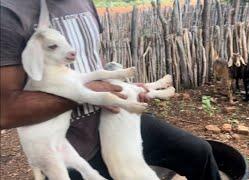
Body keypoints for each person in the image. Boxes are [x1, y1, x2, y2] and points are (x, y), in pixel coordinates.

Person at [0, 0, 221, 179]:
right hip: (68, 145)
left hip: (114, 120)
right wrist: (89, 92)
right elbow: (6, 111)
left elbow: (93, 60)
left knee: (198, 153)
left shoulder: (82, 3)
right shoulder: (9, 14)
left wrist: (125, 88)